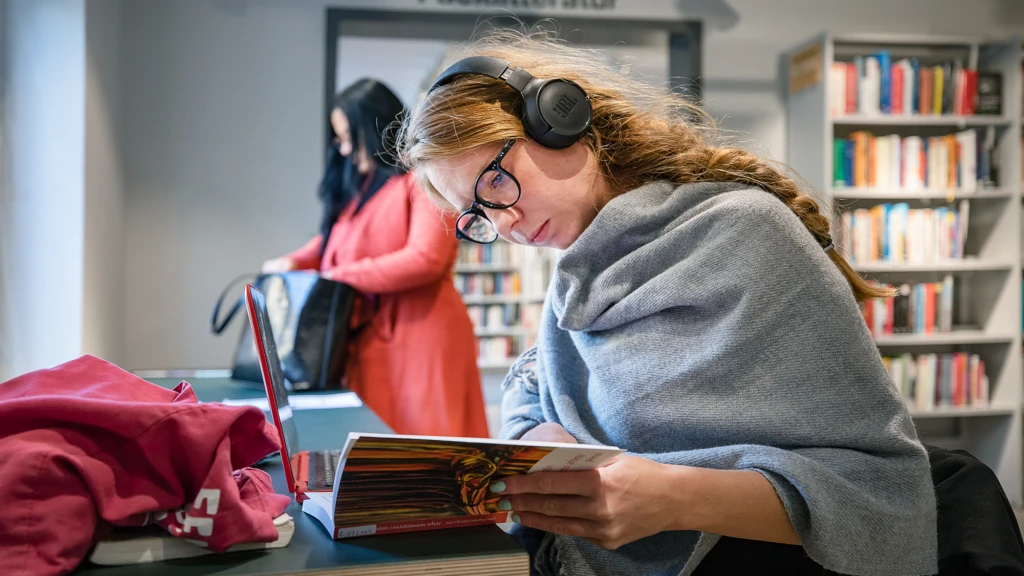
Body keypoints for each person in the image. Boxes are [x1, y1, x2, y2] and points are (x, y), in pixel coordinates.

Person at [397, 31, 938, 575]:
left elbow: (880, 490)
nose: (505, 223)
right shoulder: (582, 267)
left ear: (558, 119)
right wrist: (545, 440)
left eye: (496, 182)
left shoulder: (749, 235)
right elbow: (535, 381)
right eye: (479, 216)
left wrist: (676, 499)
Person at [262, 79, 488, 439]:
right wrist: (292, 262)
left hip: (421, 336)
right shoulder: (363, 191)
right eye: (339, 138)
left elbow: (426, 258)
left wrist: (338, 276)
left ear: (374, 127)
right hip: (371, 340)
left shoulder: (422, 180)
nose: (345, 148)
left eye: (349, 135)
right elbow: (331, 242)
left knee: (427, 442)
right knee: (380, 440)